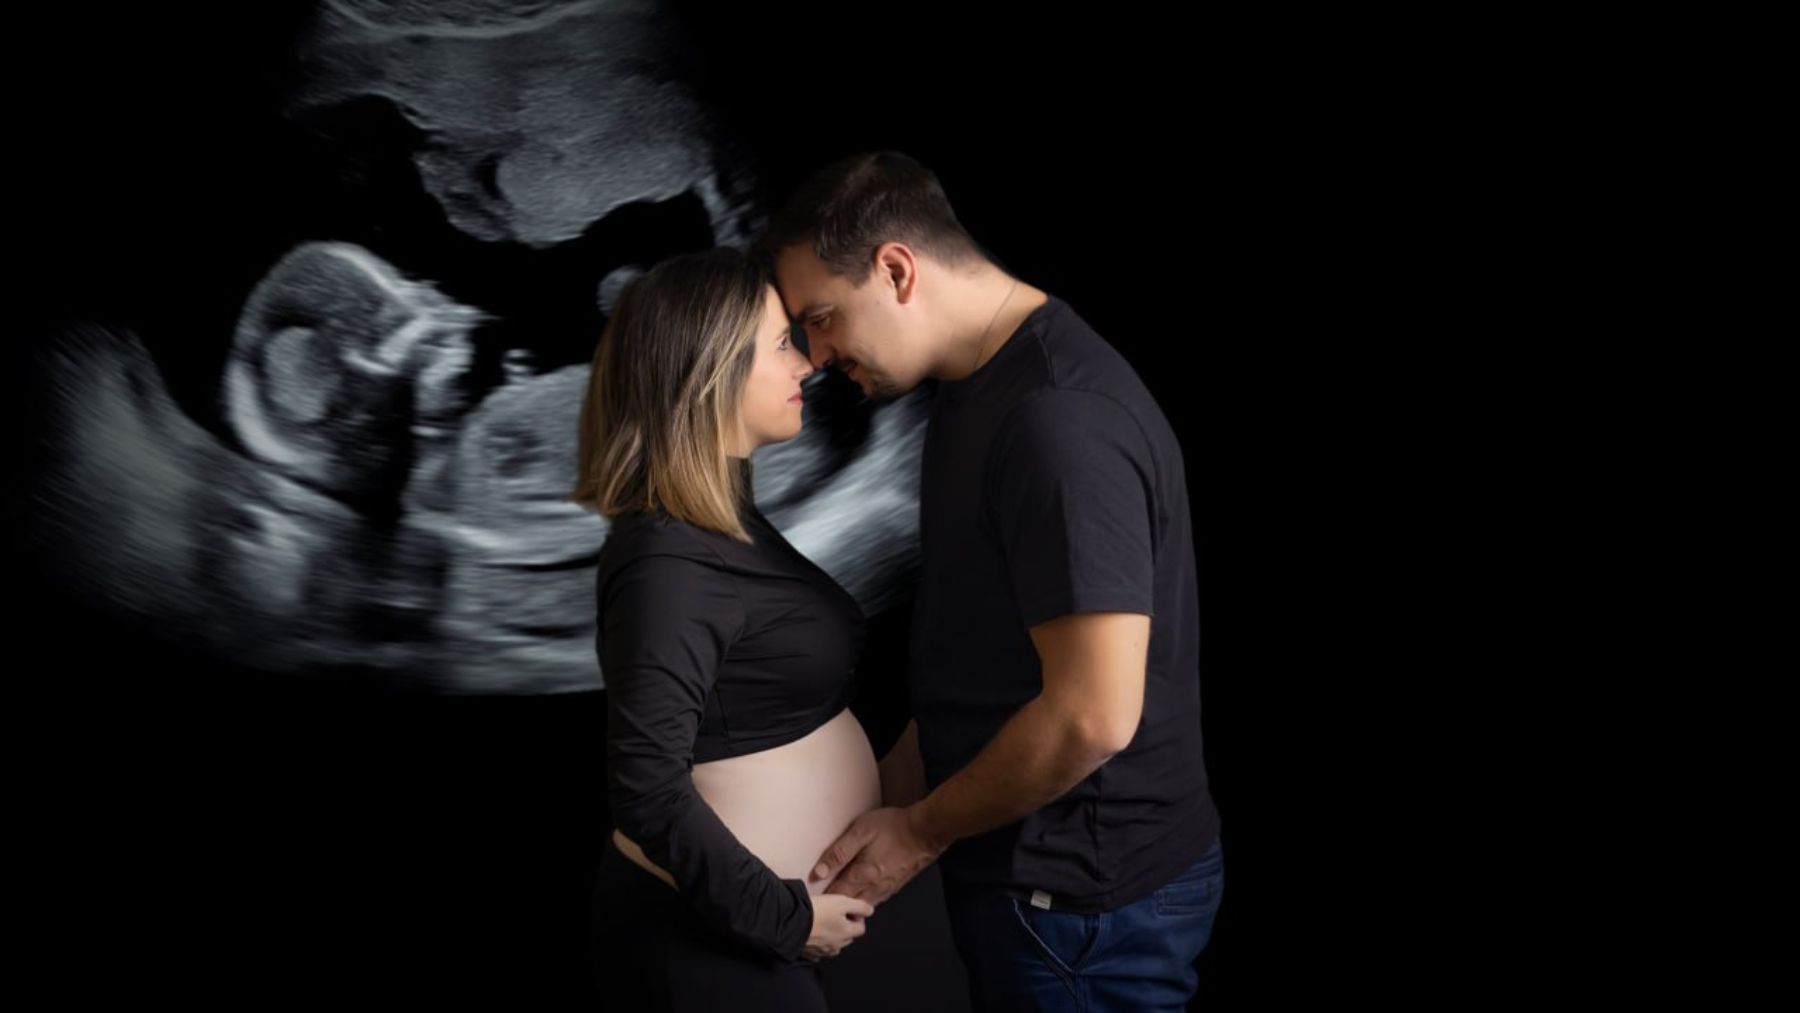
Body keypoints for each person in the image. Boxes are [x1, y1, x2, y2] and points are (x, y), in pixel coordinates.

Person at [750, 150, 1226, 1012]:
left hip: (1085, 914)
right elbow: (975, 659)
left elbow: (1093, 715)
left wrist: (917, 834)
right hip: (1037, 891)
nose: (815, 357)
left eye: (821, 318)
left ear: (896, 269)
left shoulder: (1055, 421)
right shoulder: (975, 389)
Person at [567, 246, 880, 1012]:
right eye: (778, 343)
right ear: (707, 369)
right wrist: (784, 917)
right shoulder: (667, 557)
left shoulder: (722, 522)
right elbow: (646, 788)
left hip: (753, 944)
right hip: (711, 948)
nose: (803, 363)